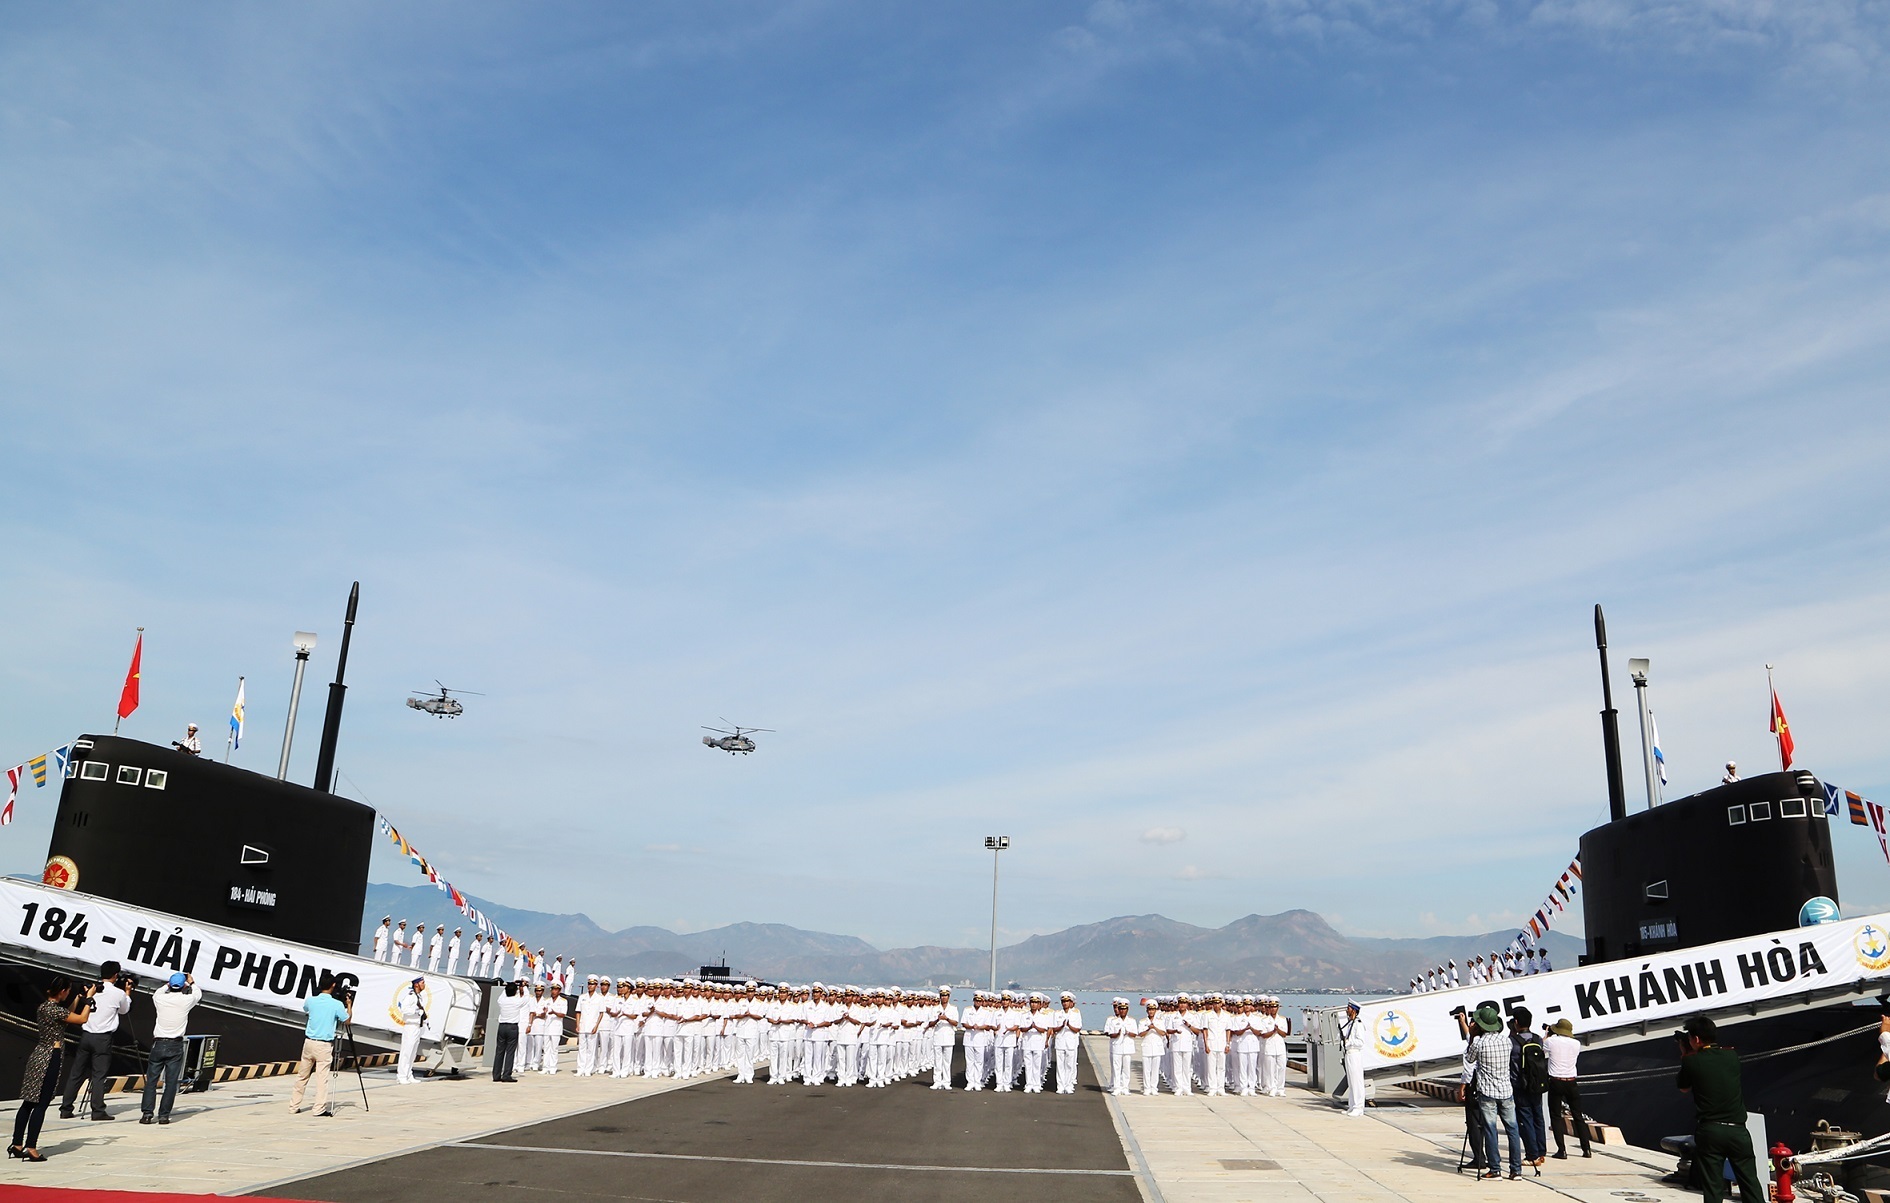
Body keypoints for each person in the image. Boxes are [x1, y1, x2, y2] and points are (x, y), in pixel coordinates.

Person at [1675, 1015, 1766, 1203]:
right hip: (1738, 1130)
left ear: (1696, 1039)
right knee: (1750, 1182)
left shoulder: (1691, 1061)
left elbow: (1684, 1087)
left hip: (1711, 1130)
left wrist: (1685, 1054)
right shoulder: (1732, 1056)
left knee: (1713, 1187)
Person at [12, 975, 91, 1161]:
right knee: (42, 1104)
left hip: (38, 1055)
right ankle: (31, 1147)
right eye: (69, 991)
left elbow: (66, 1017)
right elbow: (81, 1019)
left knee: (29, 1102)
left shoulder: (46, 1008)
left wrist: (78, 999)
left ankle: (16, 1144)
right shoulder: (54, 1011)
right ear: (62, 991)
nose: (69, 993)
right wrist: (89, 1001)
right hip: (50, 1057)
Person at [60, 960, 131, 1120]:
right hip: (103, 1038)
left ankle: (66, 1108)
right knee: (99, 1075)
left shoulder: (92, 989)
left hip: (86, 1035)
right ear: (116, 975)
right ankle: (97, 1110)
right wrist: (127, 993)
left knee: (76, 1073)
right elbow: (124, 1010)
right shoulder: (118, 993)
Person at [1460, 1003, 1522, 1178]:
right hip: (1506, 1090)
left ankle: (1495, 1169)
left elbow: (1469, 1059)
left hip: (1487, 1092)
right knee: (1513, 1129)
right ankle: (1516, 1170)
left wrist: (1472, 1036)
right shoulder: (1507, 1041)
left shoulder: (1479, 1044)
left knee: (1490, 1129)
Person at [141, 972, 203, 1124]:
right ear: (183, 986)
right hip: (175, 1044)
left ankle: (147, 1114)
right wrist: (192, 982)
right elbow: (198, 994)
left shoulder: (159, 998)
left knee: (151, 1081)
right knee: (171, 1082)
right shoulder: (186, 1000)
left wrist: (168, 984)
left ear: (169, 984)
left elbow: (158, 991)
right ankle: (163, 1116)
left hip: (159, 1043)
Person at [289, 976, 351, 1117]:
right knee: (322, 1078)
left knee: (302, 1076)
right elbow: (347, 1021)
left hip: (309, 1042)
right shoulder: (336, 1005)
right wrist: (348, 1005)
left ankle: (293, 1106)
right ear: (333, 985)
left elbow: (306, 1009)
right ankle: (318, 1109)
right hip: (324, 1044)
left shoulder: (311, 1000)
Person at [1544, 1018, 1592, 1158]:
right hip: (1571, 1082)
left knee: (1556, 1116)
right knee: (1578, 1116)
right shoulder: (1576, 1043)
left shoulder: (1551, 1041)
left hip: (1555, 1081)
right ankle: (1586, 1149)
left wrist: (1547, 1034)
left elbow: (1542, 1047)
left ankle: (1562, 1150)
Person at [1510, 1006, 1549, 1167]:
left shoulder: (1512, 1041)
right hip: (1537, 1084)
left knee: (1525, 1118)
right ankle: (1541, 1152)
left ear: (1516, 1022)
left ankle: (1532, 1155)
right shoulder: (1538, 1039)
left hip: (1520, 1085)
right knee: (1538, 1117)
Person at [390, 976, 428, 1084]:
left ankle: (408, 1074)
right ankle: (401, 1075)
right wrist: (416, 1012)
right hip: (410, 1026)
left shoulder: (419, 996)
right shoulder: (411, 996)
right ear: (416, 984)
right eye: (422, 982)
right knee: (406, 1051)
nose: (424, 984)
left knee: (413, 1052)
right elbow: (404, 1009)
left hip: (417, 1027)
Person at [1105, 999, 1138, 1096]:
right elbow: (1110, 1034)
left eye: (1124, 1009)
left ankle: (1125, 1087)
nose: (1123, 1011)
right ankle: (1116, 1087)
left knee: (1126, 1068)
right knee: (1116, 1068)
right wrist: (1117, 1034)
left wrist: (1128, 1032)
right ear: (1118, 1009)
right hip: (1117, 1047)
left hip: (1127, 1048)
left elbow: (1134, 1034)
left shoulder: (1132, 1021)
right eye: (1121, 1009)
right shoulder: (1114, 1021)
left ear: (1127, 1009)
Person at [1340, 1000, 1367, 1116]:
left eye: (1349, 1008)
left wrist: (1348, 1042)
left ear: (1354, 1010)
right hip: (1348, 1053)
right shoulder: (1351, 1023)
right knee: (1351, 1081)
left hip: (1355, 1053)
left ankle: (1359, 1107)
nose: (1347, 1010)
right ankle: (1352, 1106)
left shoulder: (1358, 1023)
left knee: (1357, 1081)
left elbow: (1360, 1042)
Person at [493, 981, 523, 1082]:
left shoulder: (502, 1001)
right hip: (512, 1027)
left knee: (499, 1051)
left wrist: (508, 986)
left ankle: (496, 1075)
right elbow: (526, 998)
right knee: (510, 1052)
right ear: (515, 991)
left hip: (502, 1026)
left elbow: (503, 994)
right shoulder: (517, 1001)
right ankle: (506, 1075)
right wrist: (524, 987)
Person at [929, 987, 958, 1090]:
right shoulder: (935, 1009)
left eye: (945, 995)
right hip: (938, 1037)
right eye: (942, 996)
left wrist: (947, 1019)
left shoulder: (953, 1009)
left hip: (948, 1038)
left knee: (947, 1061)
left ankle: (946, 1081)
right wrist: (938, 1019)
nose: (944, 997)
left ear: (948, 997)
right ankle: (937, 1081)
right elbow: (930, 1023)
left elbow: (956, 1023)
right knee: (937, 1061)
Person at [1053, 992, 1083, 1094]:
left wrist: (1069, 1026)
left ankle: (1069, 1085)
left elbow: (1078, 1028)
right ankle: (1060, 1086)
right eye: (1063, 1001)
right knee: (1060, 1066)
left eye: (1067, 1001)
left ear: (1071, 1002)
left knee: (1070, 1065)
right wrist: (1062, 1026)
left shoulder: (1076, 1014)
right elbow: (1054, 1028)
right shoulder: (1057, 1014)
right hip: (1060, 1042)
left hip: (1071, 1043)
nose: (1065, 1003)